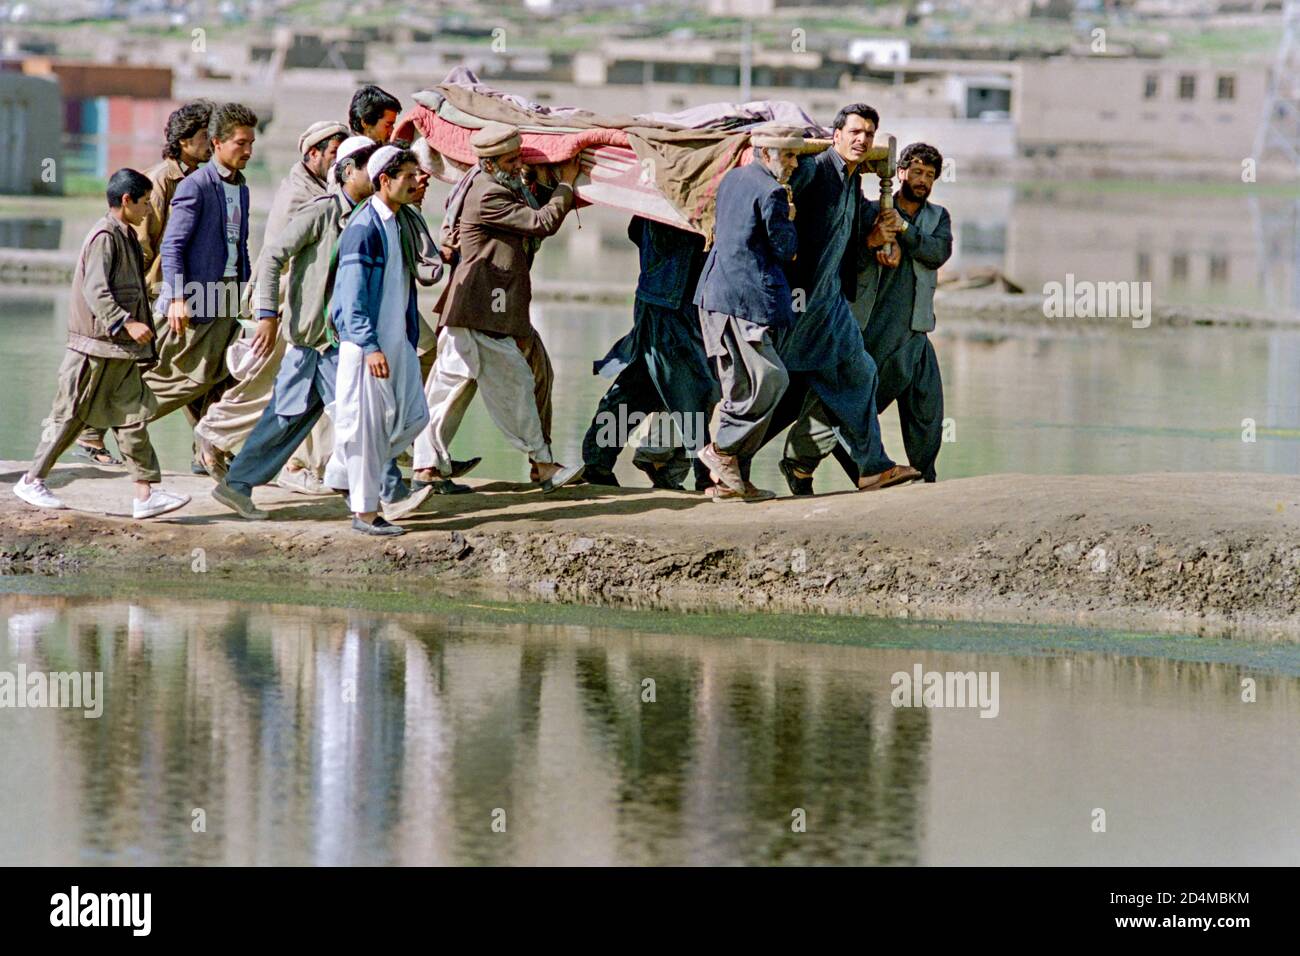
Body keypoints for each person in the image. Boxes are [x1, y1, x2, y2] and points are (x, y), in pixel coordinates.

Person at [749, 104, 920, 494]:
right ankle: (723, 459)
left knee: (860, 373)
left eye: (869, 134)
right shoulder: (813, 170)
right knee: (771, 389)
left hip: (830, 303)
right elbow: (775, 214)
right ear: (836, 134)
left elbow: (851, 233)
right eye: (855, 132)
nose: (862, 139)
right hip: (797, 303)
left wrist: (878, 236)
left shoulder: (851, 179)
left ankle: (873, 468)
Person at [212, 137, 384, 520]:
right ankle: (381, 492)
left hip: (336, 341)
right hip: (317, 341)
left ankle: (238, 484)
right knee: (354, 416)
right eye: (369, 168)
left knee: (292, 418)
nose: (377, 176)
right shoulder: (322, 212)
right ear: (348, 171)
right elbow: (273, 255)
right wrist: (267, 315)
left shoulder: (367, 215)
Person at [412, 122, 584, 493]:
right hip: (483, 312)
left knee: (448, 391)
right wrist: (567, 186)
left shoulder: (498, 185)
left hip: (475, 310)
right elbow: (541, 222)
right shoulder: (489, 193)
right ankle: (544, 465)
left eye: (519, 157)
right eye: (510, 160)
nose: (518, 165)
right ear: (489, 164)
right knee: (516, 385)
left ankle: (427, 469)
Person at [12, 169, 189, 520]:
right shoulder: (104, 237)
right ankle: (31, 480)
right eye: (144, 203)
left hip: (117, 351)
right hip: (93, 349)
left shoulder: (126, 235)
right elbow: (96, 290)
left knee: (133, 416)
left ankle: (145, 494)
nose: (148, 210)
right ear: (126, 200)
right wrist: (127, 322)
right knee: (69, 416)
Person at [192, 120, 349, 492]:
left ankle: (306, 465)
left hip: (305, 310)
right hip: (285, 307)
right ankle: (216, 433)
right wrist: (268, 315)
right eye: (333, 154)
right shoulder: (302, 195)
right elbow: (277, 259)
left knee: (304, 389)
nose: (338, 162)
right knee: (270, 387)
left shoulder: (319, 189)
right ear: (313, 154)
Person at [801, 141, 952, 483]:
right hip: (874, 327)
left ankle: (925, 477)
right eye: (916, 172)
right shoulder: (872, 212)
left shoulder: (937, 218)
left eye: (929, 175)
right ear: (900, 173)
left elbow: (936, 252)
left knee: (928, 409)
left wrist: (903, 230)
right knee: (856, 401)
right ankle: (807, 464)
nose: (922, 180)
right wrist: (873, 241)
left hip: (916, 328)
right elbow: (845, 260)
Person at [74, 100, 213, 467]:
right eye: (203, 135)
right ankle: (91, 432)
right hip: (159, 294)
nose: (210, 142)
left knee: (197, 369)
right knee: (152, 367)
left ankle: (208, 449)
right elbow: (141, 244)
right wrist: (141, 301)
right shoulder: (162, 181)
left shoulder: (199, 178)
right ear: (183, 141)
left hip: (185, 293)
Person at [322, 146, 436, 535]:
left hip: (396, 341)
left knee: (415, 416)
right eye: (409, 176)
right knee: (366, 430)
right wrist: (369, 346)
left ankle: (341, 470)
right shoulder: (364, 228)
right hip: (367, 347)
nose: (417, 181)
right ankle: (366, 513)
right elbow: (351, 296)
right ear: (384, 180)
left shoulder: (398, 222)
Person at [691, 122, 802, 502]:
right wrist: (789, 216)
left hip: (714, 297)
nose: (794, 163)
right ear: (766, 154)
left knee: (738, 388)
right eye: (789, 155)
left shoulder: (732, 178)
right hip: (744, 301)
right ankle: (721, 450)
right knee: (772, 379)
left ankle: (730, 482)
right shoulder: (773, 192)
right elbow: (785, 248)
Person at [145, 102, 258, 466]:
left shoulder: (241, 187)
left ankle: (208, 451)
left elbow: (238, 244)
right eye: (240, 143)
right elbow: (172, 245)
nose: (248, 151)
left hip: (228, 294)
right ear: (217, 143)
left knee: (226, 374)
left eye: (251, 143)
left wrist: (247, 293)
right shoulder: (195, 186)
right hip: (198, 296)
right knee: (189, 376)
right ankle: (121, 420)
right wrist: (177, 297)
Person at [580, 216, 717, 490]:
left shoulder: (658, 204)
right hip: (670, 307)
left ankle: (598, 461)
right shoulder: (677, 207)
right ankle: (705, 474)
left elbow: (634, 230)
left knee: (640, 387)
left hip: (661, 300)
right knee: (690, 389)